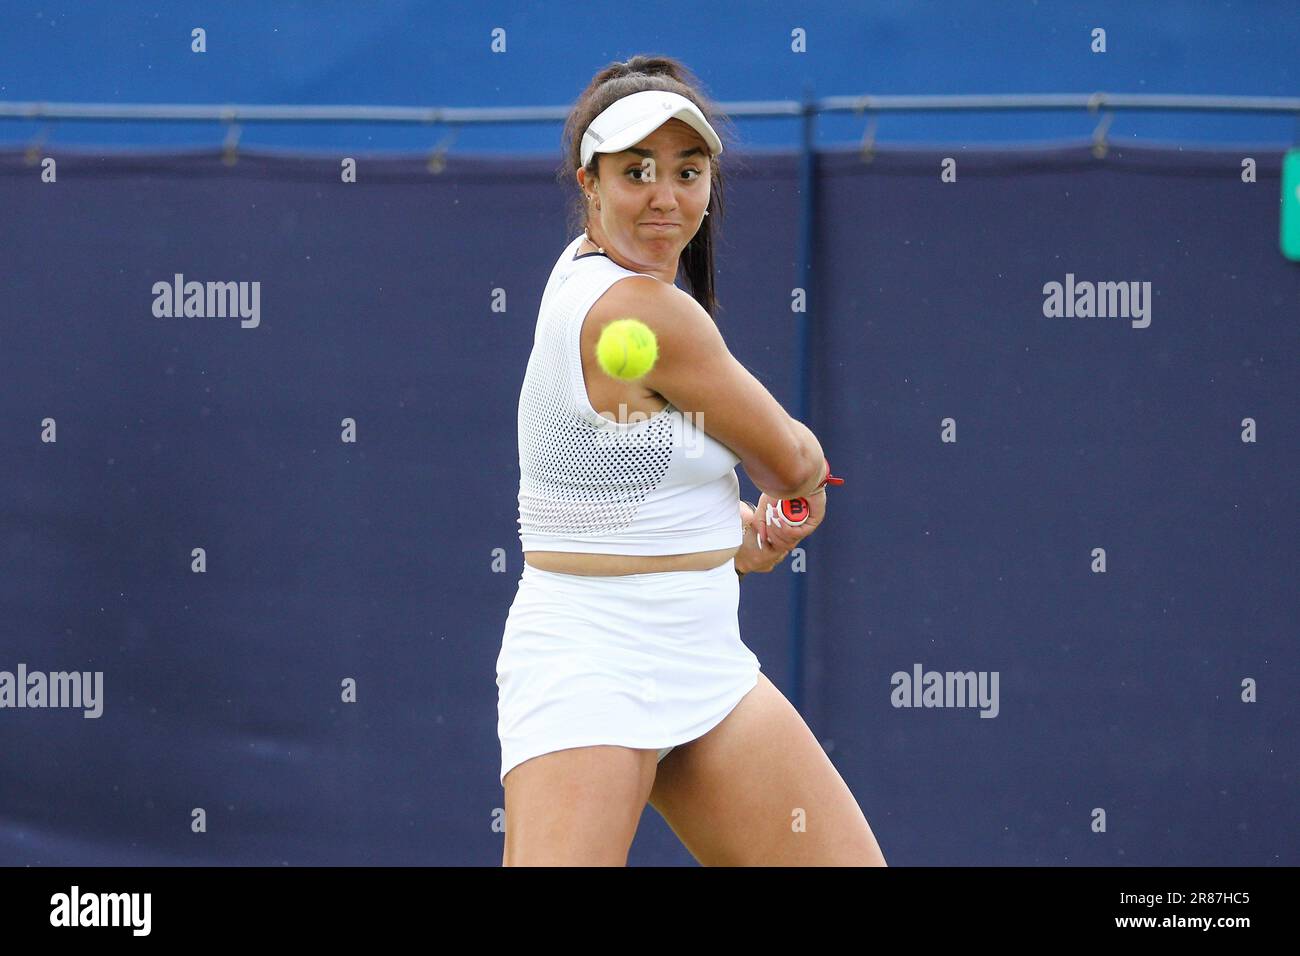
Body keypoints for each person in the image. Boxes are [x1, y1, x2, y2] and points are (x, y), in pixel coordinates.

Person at [497, 54, 887, 867]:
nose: (666, 197)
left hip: (703, 660)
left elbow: (621, 492)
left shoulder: (579, 271)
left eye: (687, 170)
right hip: (590, 665)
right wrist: (798, 492)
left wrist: (744, 537)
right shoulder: (642, 311)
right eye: (636, 171)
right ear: (589, 183)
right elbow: (792, 455)